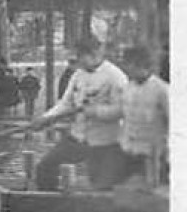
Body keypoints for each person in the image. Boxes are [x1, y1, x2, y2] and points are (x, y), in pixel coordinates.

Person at [28, 34, 130, 190]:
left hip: (105, 142)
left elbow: (123, 110)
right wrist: (46, 118)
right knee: (45, 167)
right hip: (78, 137)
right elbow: (66, 103)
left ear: (95, 54)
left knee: (101, 185)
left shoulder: (115, 77)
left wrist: (97, 112)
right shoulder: (78, 75)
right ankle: (49, 203)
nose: (79, 61)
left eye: (82, 56)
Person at [118, 45, 169, 186]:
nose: (127, 68)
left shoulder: (162, 90)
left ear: (140, 64)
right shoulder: (128, 88)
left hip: (152, 155)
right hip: (129, 151)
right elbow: (125, 116)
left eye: (129, 64)